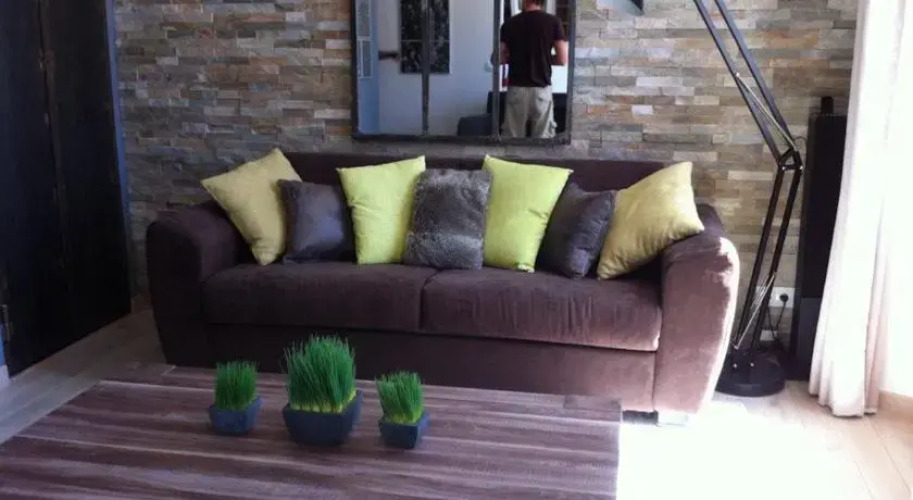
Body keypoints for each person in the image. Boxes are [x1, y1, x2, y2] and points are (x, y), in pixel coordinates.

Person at [498, 0, 569, 139]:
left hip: (516, 89)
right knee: (542, 141)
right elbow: (562, 59)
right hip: (541, 89)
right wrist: (544, 58)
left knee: (512, 140)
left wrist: (516, 57)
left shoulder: (509, 23)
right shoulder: (553, 22)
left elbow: (500, 58)